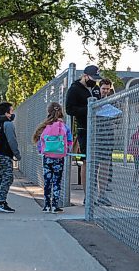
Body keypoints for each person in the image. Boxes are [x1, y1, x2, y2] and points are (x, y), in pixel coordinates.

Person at [65, 65, 101, 204]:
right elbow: (69, 109)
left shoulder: (96, 88)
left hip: (99, 128)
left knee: (98, 162)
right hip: (84, 128)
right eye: (92, 78)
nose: (95, 82)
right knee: (87, 161)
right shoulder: (74, 89)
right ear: (85, 76)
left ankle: (97, 193)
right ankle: (88, 196)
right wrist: (88, 109)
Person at [33, 102, 73, 213]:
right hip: (59, 157)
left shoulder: (46, 125)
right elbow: (69, 141)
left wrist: (42, 151)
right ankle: (55, 205)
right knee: (57, 181)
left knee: (47, 181)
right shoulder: (64, 126)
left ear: (48, 112)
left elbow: (40, 141)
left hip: (47, 157)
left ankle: (46, 206)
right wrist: (67, 151)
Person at [95, 78, 114, 205]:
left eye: (107, 89)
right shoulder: (94, 99)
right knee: (93, 165)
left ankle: (102, 194)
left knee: (106, 164)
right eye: (103, 89)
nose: (105, 91)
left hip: (108, 134)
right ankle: (91, 194)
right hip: (96, 134)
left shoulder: (112, 100)